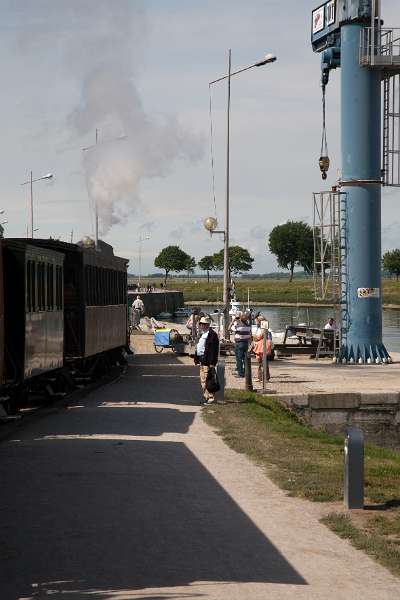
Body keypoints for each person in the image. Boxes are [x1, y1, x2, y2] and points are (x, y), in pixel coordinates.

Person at [194, 316, 219, 405]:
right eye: (201, 324)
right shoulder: (203, 333)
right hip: (202, 360)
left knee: (209, 380)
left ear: (208, 324)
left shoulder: (212, 335)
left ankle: (211, 398)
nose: (202, 325)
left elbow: (213, 350)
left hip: (208, 361)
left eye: (204, 324)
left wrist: (212, 363)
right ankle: (207, 397)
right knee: (203, 380)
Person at [252, 315, 271, 383]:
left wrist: (254, 337)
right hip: (259, 345)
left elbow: (261, 336)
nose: (256, 322)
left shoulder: (264, 327)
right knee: (260, 362)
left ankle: (266, 378)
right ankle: (260, 377)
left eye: (257, 321)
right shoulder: (259, 328)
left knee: (264, 362)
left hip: (263, 346)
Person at [234, 312, 252, 378]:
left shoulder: (239, 326)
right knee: (245, 359)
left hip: (239, 343)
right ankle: (245, 372)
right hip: (246, 343)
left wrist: (234, 320)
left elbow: (229, 328)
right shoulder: (248, 326)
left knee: (239, 359)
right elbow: (250, 336)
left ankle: (240, 374)